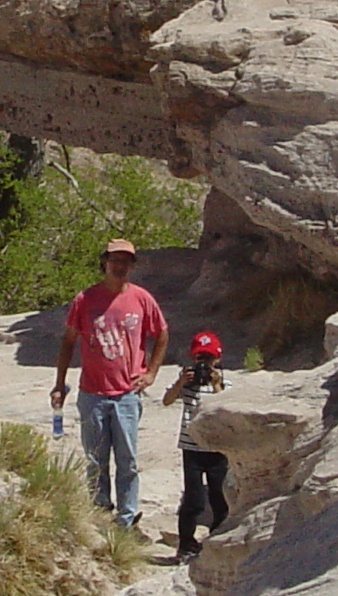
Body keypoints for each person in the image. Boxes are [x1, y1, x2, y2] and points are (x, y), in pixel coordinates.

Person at [51, 237, 165, 529]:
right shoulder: (85, 300)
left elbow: (161, 333)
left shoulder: (141, 299)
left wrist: (151, 372)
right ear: (104, 262)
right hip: (93, 393)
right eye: (115, 260)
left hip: (127, 393)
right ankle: (100, 511)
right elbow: (67, 342)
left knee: (127, 460)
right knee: (95, 459)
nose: (119, 265)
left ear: (132, 265)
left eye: (125, 261)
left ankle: (127, 518)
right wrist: (59, 384)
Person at [160, 329, 229, 560]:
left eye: (208, 359)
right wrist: (181, 382)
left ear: (217, 359)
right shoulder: (187, 383)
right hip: (192, 448)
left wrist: (217, 384)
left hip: (217, 449)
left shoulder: (223, 382)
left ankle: (217, 540)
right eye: (201, 359)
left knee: (220, 496)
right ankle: (186, 545)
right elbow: (167, 401)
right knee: (193, 498)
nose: (204, 364)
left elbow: (225, 408)